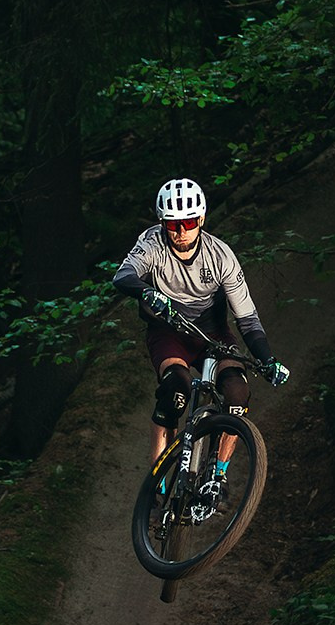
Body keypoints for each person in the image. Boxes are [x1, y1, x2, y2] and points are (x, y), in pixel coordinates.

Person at [112, 178, 291, 508]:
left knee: (237, 392)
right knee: (175, 392)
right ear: (162, 223)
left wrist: (268, 359)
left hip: (212, 333)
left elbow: (247, 318)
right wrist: (147, 291)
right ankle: (157, 488)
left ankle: (217, 477)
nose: (181, 231)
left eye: (189, 222)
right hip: (168, 332)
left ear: (202, 219)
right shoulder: (151, 243)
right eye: (172, 224)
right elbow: (123, 276)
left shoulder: (221, 255)